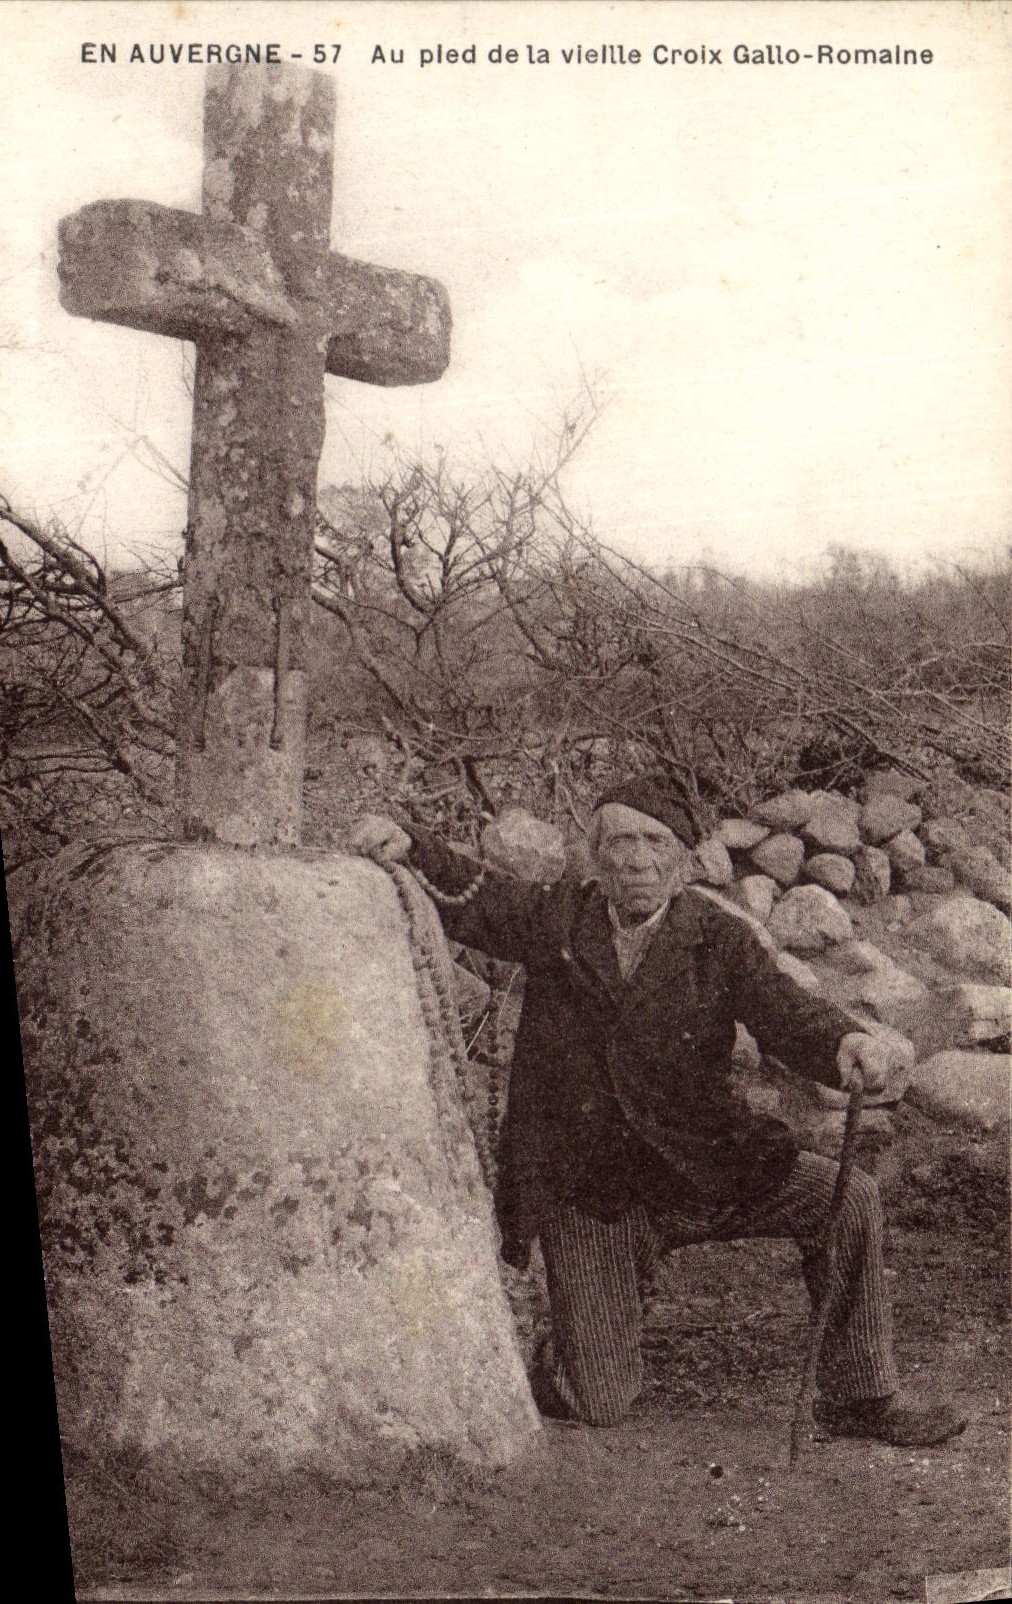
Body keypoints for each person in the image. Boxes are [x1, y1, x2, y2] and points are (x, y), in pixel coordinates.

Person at [350, 774, 966, 1446]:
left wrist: (846, 1040)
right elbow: (477, 896)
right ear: (596, 855)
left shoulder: (716, 938)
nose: (638, 859)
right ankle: (579, 1328)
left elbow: (784, 1011)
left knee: (846, 1200)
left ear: (683, 858)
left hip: (706, 1169)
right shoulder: (555, 919)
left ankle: (860, 1395)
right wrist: (411, 842)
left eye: (654, 841)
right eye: (620, 842)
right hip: (596, 1190)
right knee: (600, 1402)